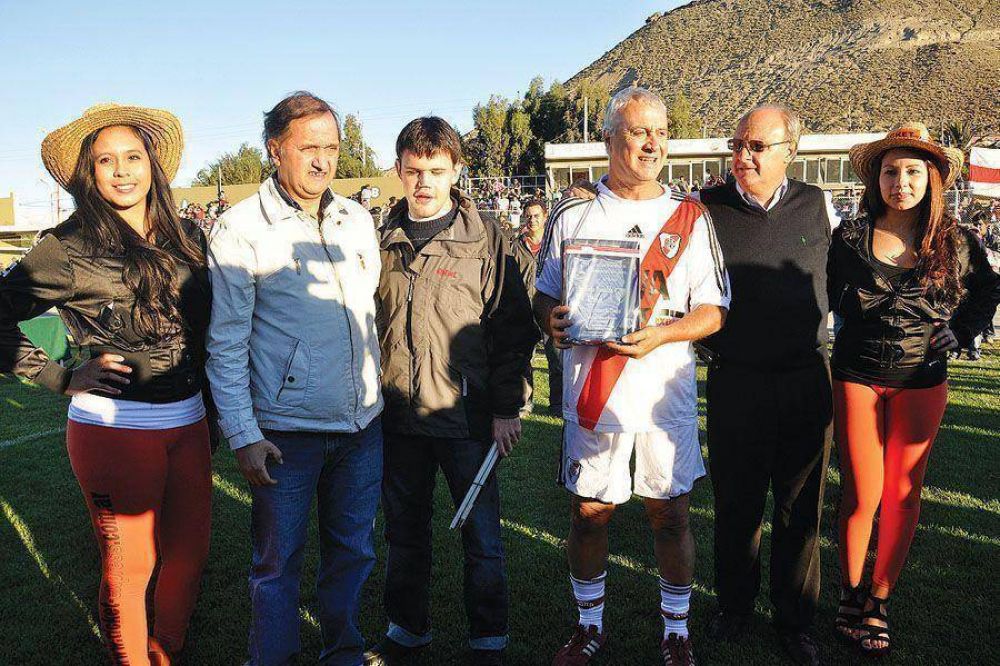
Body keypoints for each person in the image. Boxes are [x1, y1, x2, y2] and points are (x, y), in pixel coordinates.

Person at [0, 103, 213, 665]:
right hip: (113, 430)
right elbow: (4, 312)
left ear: (153, 165)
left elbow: (209, 328)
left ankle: (165, 653)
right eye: (105, 161)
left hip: (189, 423)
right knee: (130, 566)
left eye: (133, 157)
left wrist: (215, 412)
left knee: (189, 558)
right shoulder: (67, 246)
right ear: (88, 175)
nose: (122, 171)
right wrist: (63, 372)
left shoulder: (189, 235)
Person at [534, 88, 729, 666]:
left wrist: (662, 335)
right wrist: (553, 318)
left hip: (662, 397)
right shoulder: (572, 214)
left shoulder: (691, 217)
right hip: (592, 392)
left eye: (661, 133)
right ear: (609, 139)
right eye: (639, 131)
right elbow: (544, 295)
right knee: (589, 511)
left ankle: (676, 630)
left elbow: (714, 310)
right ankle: (588, 626)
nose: (653, 143)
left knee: (669, 514)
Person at [206, 91, 383, 666]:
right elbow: (226, 342)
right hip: (285, 436)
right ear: (274, 149)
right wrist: (242, 432)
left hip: (362, 429)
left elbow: (367, 312)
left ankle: (344, 654)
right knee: (277, 565)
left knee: (353, 554)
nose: (322, 161)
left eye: (331, 148)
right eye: (309, 148)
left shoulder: (357, 219)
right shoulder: (240, 229)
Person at [364, 117, 537, 666]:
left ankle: (488, 638)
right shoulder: (377, 241)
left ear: (456, 171)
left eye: (436, 171)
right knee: (404, 534)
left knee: (482, 538)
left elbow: (512, 330)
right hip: (397, 418)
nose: (424, 182)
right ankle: (407, 629)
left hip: (467, 417)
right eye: (413, 171)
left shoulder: (487, 238)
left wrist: (508, 407)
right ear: (397, 171)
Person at [828, 123, 1000, 657]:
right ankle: (850, 594)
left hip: (922, 381)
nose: (899, 181)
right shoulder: (849, 237)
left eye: (911, 171)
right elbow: (822, 293)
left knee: (903, 496)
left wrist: (964, 329)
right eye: (889, 171)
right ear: (874, 178)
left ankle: (878, 600)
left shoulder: (954, 239)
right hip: (855, 375)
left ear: (931, 179)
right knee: (862, 493)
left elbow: (989, 288)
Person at [696, 105, 837, 666]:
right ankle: (733, 608)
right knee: (736, 506)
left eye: (757, 146)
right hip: (736, 382)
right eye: (737, 144)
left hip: (806, 379)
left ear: (789, 152)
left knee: (800, 509)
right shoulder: (705, 208)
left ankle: (795, 621)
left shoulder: (819, 204)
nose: (744, 156)